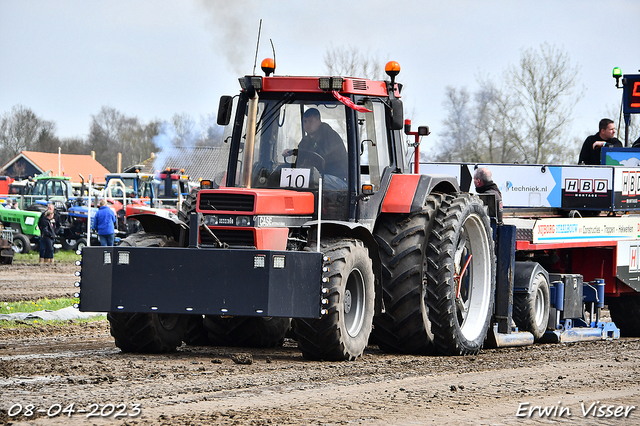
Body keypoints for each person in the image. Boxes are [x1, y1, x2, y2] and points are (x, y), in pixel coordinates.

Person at [282, 108, 348, 187]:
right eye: (305, 121)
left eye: (310, 121)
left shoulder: (329, 136)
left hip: (337, 179)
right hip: (318, 176)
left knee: (310, 180)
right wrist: (294, 152)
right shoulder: (306, 140)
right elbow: (303, 157)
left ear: (319, 122)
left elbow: (320, 157)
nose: (307, 124)